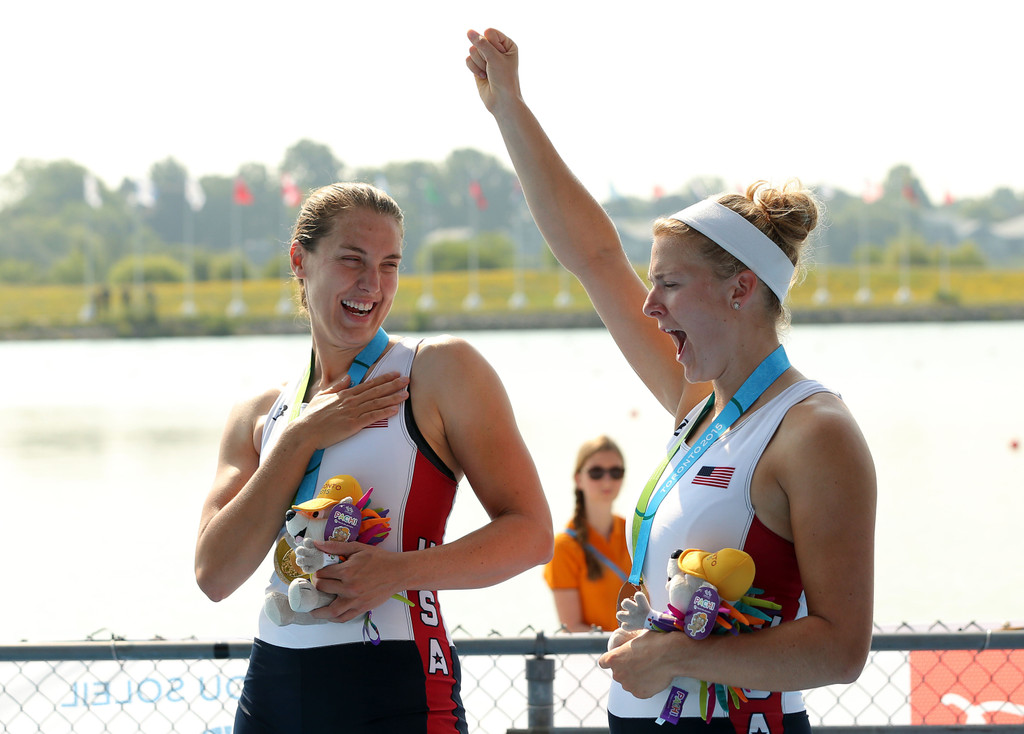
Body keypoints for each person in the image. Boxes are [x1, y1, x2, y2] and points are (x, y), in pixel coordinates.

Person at [467, 28, 876, 734]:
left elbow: (841, 649)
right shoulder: (701, 407)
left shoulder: (816, 433)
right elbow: (594, 257)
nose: (649, 307)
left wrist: (676, 658)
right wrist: (510, 109)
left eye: (669, 286)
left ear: (741, 290)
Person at [194, 182, 553, 734]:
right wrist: (298, 441)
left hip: (395, 681)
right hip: (273, 684)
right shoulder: (261, 412)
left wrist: (400, 572)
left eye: (389, 265)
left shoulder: (438, 370)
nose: (372, 284)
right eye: (351, 260)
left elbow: (531, 535)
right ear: (300, 261)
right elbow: (214, 574)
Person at [544, 435, 632, 632]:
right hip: (594, 658)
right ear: (578, 479)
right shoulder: (564, 547)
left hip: (641, 653)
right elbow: (572, 626)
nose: (607, 480)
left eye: (616, 472)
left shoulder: (635, 533)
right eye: (596, 472)